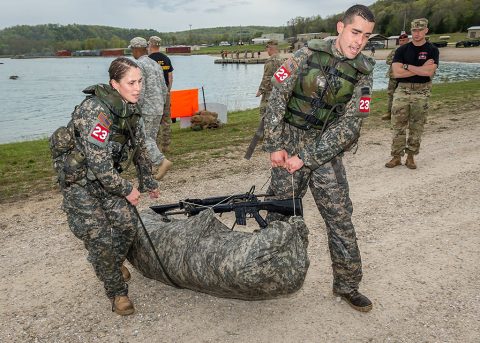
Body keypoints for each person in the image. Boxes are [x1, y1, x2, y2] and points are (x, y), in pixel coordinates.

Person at [263, 4, 376, 312]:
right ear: (341, 27)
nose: (358, 42)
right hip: (289, 139)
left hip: (327, 149)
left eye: (366, 36)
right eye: (355, 32)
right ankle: (268, 276)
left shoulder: (363, 72)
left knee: (340, 218)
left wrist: (308, 157)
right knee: (279, 213)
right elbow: (277, 96)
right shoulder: (305, 55)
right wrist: (275, 144)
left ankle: (348, 285)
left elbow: (351, 125)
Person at [49, 57, 160, 315]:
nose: (138, 87)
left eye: (140, 81)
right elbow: (99, 167)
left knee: (127, 226)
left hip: (107, 181)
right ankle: (118, 293)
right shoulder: (94, 113)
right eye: (131, 82)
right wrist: (127, 190)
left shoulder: (130, 109)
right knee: (99, 239)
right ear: (114, 83)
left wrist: (148, 181)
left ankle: (110, 263)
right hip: (79, 184)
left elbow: (140, 147)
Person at [385, 18, 439, 169]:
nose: (417, 33)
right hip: (402, 89)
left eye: (420, 30)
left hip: (422, 91)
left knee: (417, 125)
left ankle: (410, 157)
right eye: (414, 30)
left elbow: (429, 72)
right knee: (397, 125)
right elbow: (396, 73)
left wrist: (407, 66)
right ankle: (396, 157)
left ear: (426, 30)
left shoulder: (432, 50)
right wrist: (419, 68)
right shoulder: (401, 50)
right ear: (411, 31)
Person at [130, 37, 172, 179]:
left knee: (144, 139)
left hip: (147, 109)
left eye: (131, 49)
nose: (131, 52)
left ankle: (162, 162)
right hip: (158, 107)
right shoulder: (155, 64)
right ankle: (150, 169)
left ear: (136, 49)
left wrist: (136, 108)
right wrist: (162, 104)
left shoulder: (139, 65)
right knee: (151, 139)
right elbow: (164, 87)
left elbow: (140, 90)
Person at [148, 36, 174, 153]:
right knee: (166, 120)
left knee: (155, 120)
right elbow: (170, 77)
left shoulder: (147, 60)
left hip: (152, 96)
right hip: (165, 94)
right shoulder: (166, 58)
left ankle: (156, 146)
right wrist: (168, 91)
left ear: (150, 45)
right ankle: (167, 146)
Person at [382, 33, 409, 120]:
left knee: (405, 94)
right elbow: (388, 60)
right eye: (400, 40)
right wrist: (398, 63)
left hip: (406, 76)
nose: (402, 42)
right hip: (393, 76)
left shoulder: (411, 50)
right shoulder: (395, 50)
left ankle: (403, 113)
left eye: (403, 40)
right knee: (391, 94)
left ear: (407, 40)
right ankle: (389, 113)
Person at [256, 40, 284, 119]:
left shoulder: (270, 61)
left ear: (270, 48)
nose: (266, 51)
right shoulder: (282, 60)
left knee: (264, 113)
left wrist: (260, 90)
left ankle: (263, 129)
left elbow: (267, 78)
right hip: (279, 91)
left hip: (269, 92)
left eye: (267, 49)